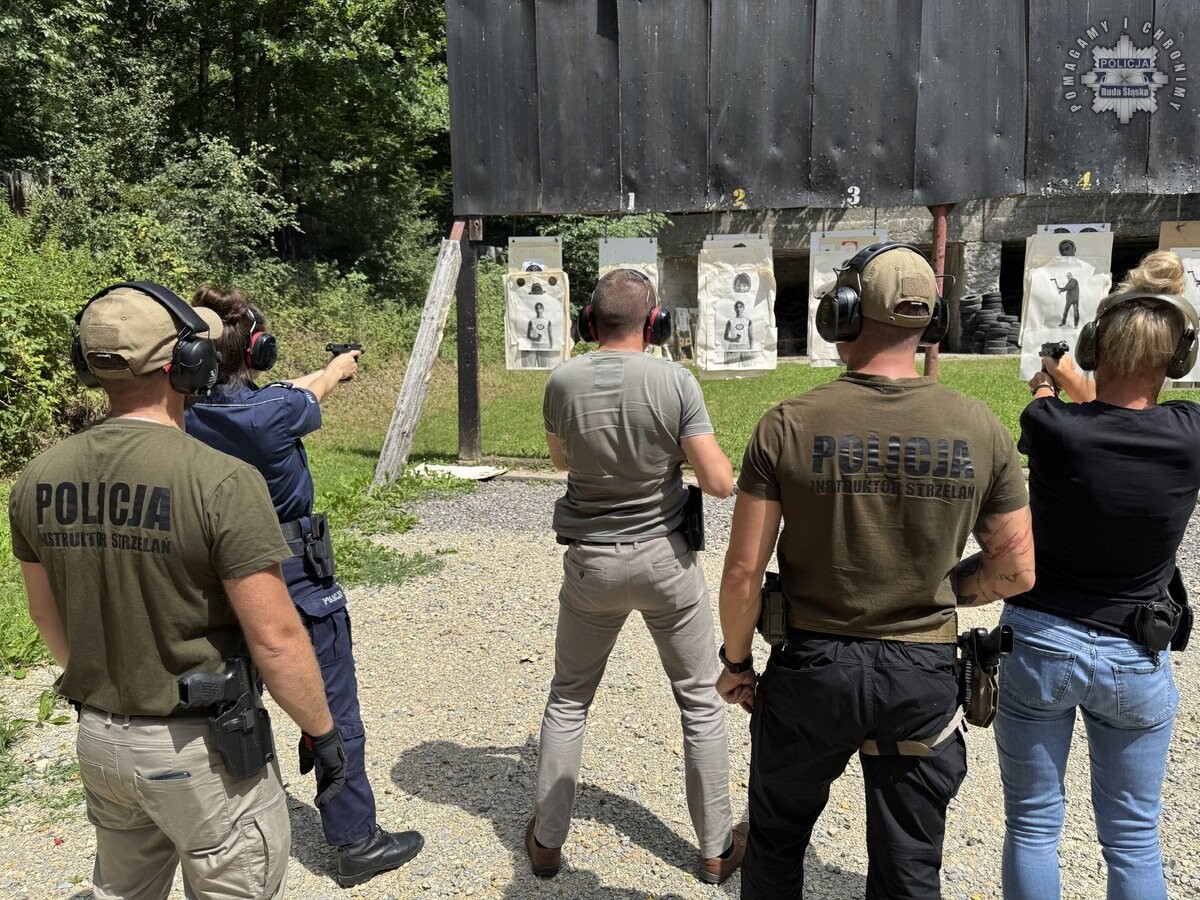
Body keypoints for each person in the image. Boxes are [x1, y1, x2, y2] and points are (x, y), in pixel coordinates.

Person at [8, 282, 347, 899]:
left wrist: (117, 687)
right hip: (198, 750)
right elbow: (275, 638)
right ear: (188, 364)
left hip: (101, 741)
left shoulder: (36, 478)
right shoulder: (221, 482)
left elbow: (46, 615)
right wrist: (323, 734)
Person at [717, 244, 1036, 899]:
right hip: (922, 675)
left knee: (775, 846)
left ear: (845, 314)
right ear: (934, 321)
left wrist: (738, 661)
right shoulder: (980, 427)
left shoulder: (788, 424)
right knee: (909, 869)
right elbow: (1017, 569)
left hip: (814, 668)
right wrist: (952, 589)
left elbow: (744, 570)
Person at [184, 286, 424, 888]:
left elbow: (285, 391)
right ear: (255, 353)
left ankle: (233, 830)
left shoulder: (181, 414)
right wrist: (337, 370)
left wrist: (318, 372)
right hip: (291, 573)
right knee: (333, 705)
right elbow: (304, 395)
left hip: (211, 573)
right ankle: (353, 840)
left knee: (231, 701)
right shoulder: (273, 412)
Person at [528, 268, 746, 884]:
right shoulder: (675, 381)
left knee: (568, 699)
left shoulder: (562, 380)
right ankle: (712, 849)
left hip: (591, 563)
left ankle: (545, 844)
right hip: (664, 562)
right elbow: (721, 484)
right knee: (701, 702)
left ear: (587, 322)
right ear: (656, 324)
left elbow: (561, 458)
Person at [995, 250, 1200, 900]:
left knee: (1032, 826)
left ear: (1093, 346)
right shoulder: (1191, 434)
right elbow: (1127, 417)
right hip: (1136, 656)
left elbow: (1091, 419)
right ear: (1178, 359)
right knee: (1135, 839)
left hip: (1038, 645)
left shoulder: (1050, 423)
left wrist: (1049, 381)